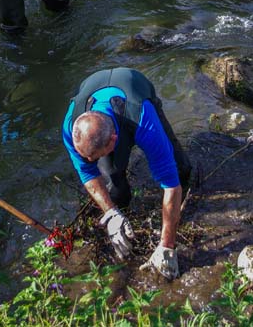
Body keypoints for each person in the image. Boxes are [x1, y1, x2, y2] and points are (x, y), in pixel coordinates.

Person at [62, 67, 192, 280]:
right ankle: (122, 216)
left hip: (137, 89)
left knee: (180, 170)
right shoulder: (71, 128)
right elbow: (87, 175)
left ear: (113, 140)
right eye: (85, 156)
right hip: (96, 88)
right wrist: (110, 212)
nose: (88, 162)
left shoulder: (144, 121)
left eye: (93, 157)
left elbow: (170, 185)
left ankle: (180, 215)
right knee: (116, 190)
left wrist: (167, 246)